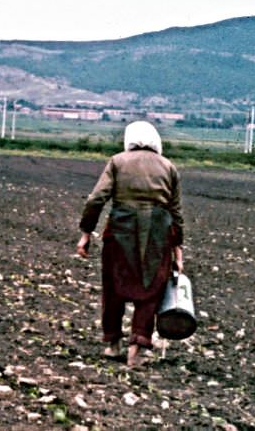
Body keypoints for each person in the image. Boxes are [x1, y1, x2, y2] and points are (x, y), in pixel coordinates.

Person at [75, 121, 184, 368]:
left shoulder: (117, 162)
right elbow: (175, 212)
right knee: (151, 290)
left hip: (120, 232)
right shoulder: (169, 167)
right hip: (158, 235)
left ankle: (112, 344)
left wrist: (86, 233)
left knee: (113, 288)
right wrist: (178, 251)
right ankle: (137, 347)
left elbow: (96, 199)